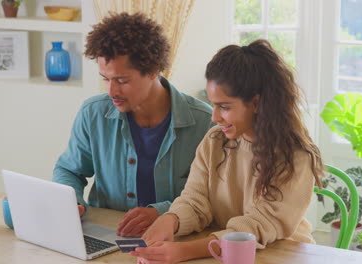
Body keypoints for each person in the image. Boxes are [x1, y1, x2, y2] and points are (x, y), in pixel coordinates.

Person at [131, 39, 324, 263]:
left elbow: (254, 228)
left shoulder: (295, 156)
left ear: (256, 103)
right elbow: (195, 200)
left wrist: (184, 251)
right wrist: (171, 219)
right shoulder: (215, 141)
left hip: (283, 255)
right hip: (223, 254)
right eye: (212, 104)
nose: (214, 117)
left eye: (224, 107)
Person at [52, 12, 213, 237]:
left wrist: (163, 212)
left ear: (153, 70)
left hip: (176, 240)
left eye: (122, 81)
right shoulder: (93, 113)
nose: (111, 92)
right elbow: (69, 170)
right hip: (107, 236)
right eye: (105, 79)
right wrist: (72, 201)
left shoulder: (205, 122)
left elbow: (213, 196)